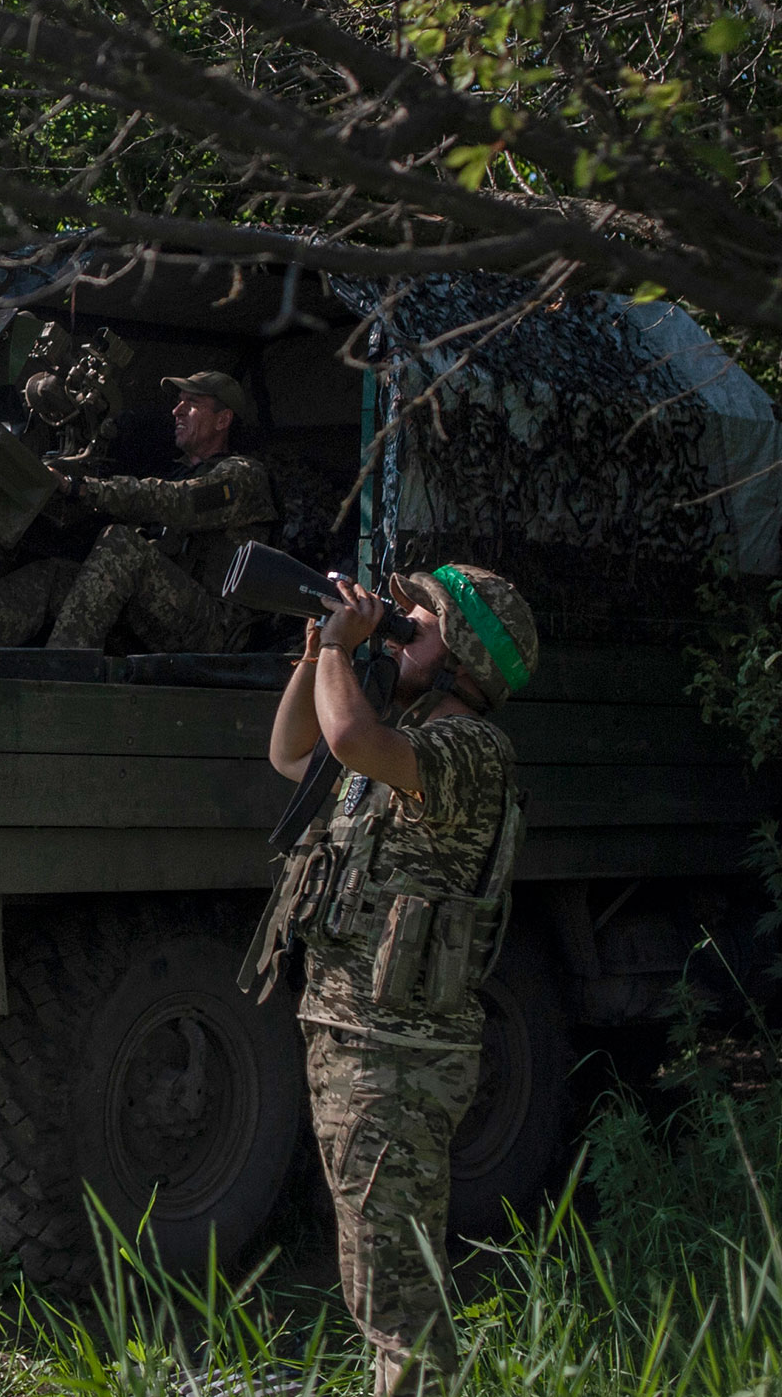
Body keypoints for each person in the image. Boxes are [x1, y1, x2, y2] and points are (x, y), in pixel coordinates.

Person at [251, 562, 538, 1397]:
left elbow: (348, 741)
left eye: (421, 615)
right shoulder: (405, 739)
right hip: (359, 1042)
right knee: (376, 1278)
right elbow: (292, 751)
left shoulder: (468, 750)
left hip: (399, 1059)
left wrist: (348, 648)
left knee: (397, 1301)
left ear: (466, 658)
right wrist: (319, 654)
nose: (401, 618)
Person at [0, 368, 277, 651]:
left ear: (223, 419)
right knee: (57, 576)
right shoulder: (183, 472)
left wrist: (83, 488)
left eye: (191, 404)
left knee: (121, 544)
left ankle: (61, 670)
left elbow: (178, 502)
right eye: (178, 402)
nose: (176, 411)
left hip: (213, 629)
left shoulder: (243, 476)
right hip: (164, 609)